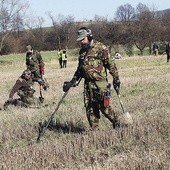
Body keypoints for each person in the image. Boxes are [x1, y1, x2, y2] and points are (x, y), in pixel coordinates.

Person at [63, 27, 121, 130]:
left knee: (104, 106)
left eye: (83, 39)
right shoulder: (82, 51)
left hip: (100, 83)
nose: (81, 42)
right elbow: (80, 69)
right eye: (80, 40)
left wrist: (116, 78)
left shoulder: (100, 48)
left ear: (89, 37)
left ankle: (116, 121)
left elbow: (110, 64)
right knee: (90, 107)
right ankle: (95, 129)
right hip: (88, 84)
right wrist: (72, 81)